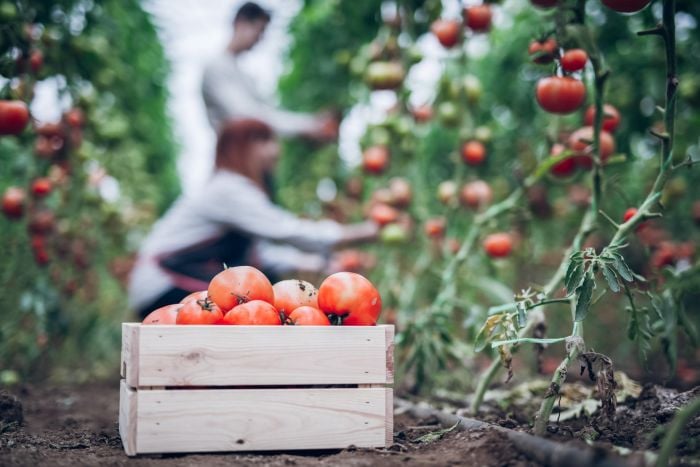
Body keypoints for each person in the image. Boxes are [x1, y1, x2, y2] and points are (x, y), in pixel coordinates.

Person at [128, 119, 377, 318]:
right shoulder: (229, 190)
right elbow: (286, 230)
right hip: (163, 286)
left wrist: (321, 264)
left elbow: (262, 255)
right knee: (261, 302)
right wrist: (362, 231)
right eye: (264, 140)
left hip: (163, 284)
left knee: (262, 294)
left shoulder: (229, 190)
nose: (275, 150)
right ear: (242, 148)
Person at [201, 2, 336, 139]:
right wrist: (308, 125)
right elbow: (246, 116)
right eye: (258, 30)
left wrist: (311, 123)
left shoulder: (243, 75)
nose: (259, 39)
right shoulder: (216, 67)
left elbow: (265, 113)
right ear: (240, 22)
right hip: (233, 156)